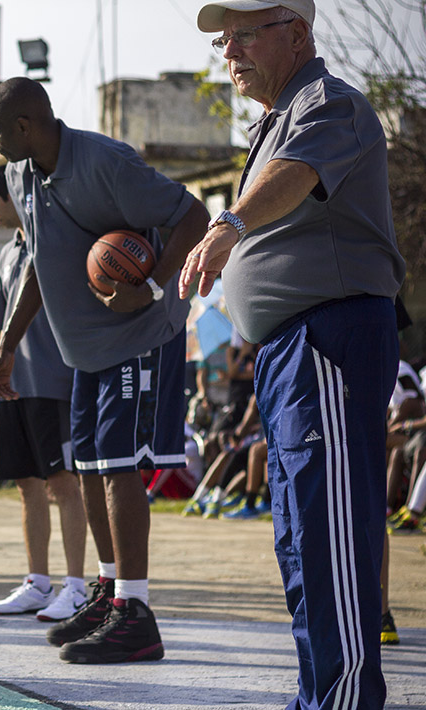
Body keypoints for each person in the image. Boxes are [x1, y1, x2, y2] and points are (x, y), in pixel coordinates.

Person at [182, 2, 406, 707]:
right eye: (226, 40)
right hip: (292, 350)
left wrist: (229, 221)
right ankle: (321, 694)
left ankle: (341, 701)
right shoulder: (277, 118)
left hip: (329, 338)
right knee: (303, 540)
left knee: (330, 535)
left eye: (246, 35)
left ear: (298, 34)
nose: (231, 53)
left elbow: (296, 176)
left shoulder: (328, 102)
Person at [0, 77, 209, 663]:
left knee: (116, 467)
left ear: (27, 126)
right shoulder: (18, 175)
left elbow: (194, 213)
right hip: (83, 349)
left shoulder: (106, 162)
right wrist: (8, 343)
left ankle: (137, 612)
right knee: (85, 465)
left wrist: (155, 285)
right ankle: (109, 596)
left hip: (138, 334)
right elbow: (39, 259)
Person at [0, 167, 88, 622]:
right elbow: (5, 323)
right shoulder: (6, 254)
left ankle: (77, 586)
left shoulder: (56, 241)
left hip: (54, 379)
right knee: (26, 485)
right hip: (14, 384)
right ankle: (38, 582)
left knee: (63, 483)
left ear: (15, 197)